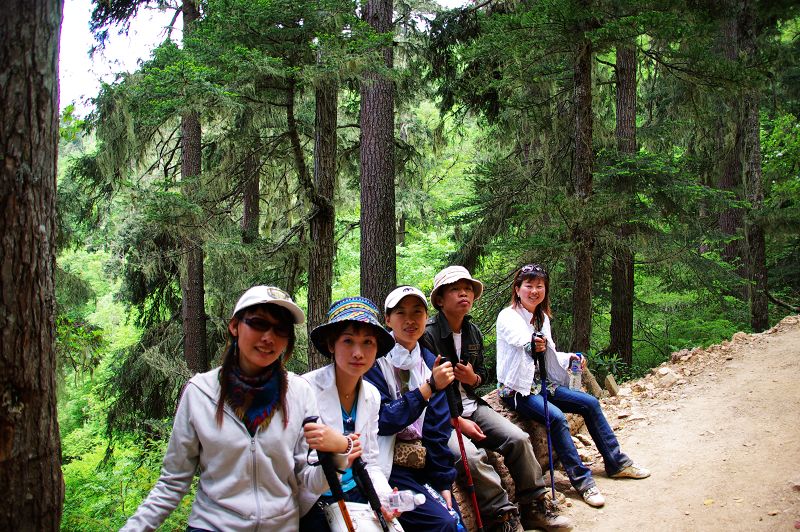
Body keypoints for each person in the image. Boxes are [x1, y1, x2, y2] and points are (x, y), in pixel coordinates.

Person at [121, 285, 347, 531]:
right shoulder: (201, 393)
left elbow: (308, 480)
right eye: (258, 323)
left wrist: (339, 453)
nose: (269, 337)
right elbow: (172, 482)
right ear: (235, 326)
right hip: (212, 526)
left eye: (280, 329)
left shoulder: (299, 392)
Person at [422, 266, 571, 532]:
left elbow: (483, 374)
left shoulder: (472, 332)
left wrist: (473, 379)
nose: (464, 294)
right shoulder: (428, 335)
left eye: (467, 289)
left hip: (472, 406)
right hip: (441, 416)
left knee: (518, 439)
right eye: (455, 289)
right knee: (472, 457)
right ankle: (502, 516)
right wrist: (455, 421)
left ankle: (534, 506)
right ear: (440, 300)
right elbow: (426, 391)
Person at [495, 264, 650, 509]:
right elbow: (521, 340)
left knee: (590, 403)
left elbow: (549, 352)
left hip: (542, 383)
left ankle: (617, 463)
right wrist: (532, 343)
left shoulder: (542, 318)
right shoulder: (508, 316)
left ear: (545, 289)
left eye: (539, 286)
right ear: (517, 289)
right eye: (529, 285)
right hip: (517, 388)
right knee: (556, 417)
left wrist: (570, 358)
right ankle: (583, 482)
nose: (534, 291)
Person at [363, 285, 462, 532]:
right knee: (443, 524)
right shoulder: (373, 362)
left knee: (454, 520)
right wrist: (428, 388)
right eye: (401, 312)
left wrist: (442, 481)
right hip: (386, 465)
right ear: (388, 319)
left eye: (417, 312)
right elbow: (383, 419)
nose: (410, 320)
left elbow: (437, 428)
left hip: (423, 464)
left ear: (426, 318)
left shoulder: (430, 361)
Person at [299, 297, 398, 530]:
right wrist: (342, 449)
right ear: (331, 345)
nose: (358, 353)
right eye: (348, 341)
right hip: (315, 500)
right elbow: (301, 469)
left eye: (368, 342)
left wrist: (384, 498)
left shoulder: (372, 395)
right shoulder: (305, 389)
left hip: (357, 493)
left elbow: (370, 460)